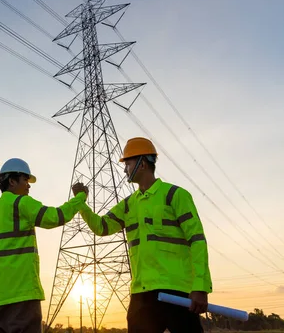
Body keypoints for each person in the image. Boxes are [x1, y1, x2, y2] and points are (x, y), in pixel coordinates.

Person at [78, 137, 212, 333]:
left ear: (142, 163)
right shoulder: (128, 204)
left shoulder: (175, 195)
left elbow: (197, 240)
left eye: (128, 163)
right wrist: (80, 202)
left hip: (178, 291)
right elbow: (101, 227)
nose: (125, 169)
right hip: (142, 294)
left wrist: (200, 287)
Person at [0, 158, 89, 333]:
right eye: (25, 180)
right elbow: (56, 217)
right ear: (11, 181)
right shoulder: (21, 203)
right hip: (22, 296)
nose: (28, 185)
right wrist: (80, 197)